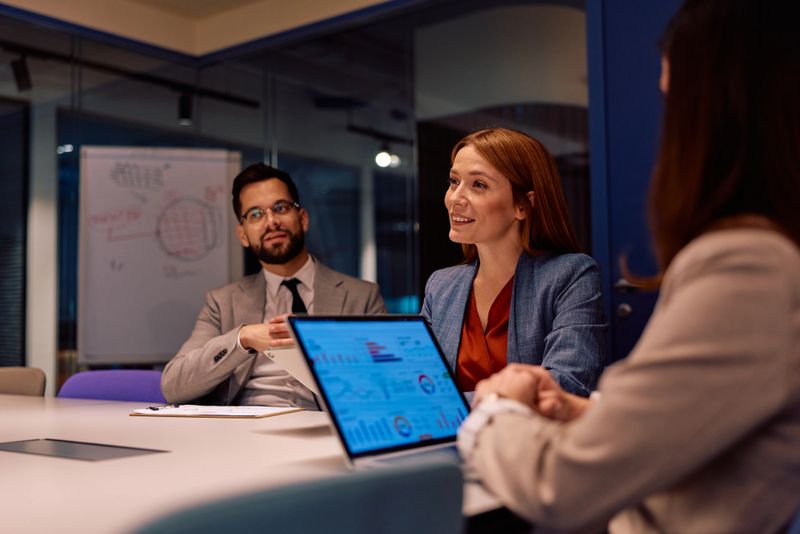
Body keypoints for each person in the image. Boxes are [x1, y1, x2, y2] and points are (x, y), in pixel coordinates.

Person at [457, 1, 800, 532]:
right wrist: (587, 415)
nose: (457, 197)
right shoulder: (766, 258)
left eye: (674, 101)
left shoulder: (749, 265)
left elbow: (561, 484)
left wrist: (493, 412)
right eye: (454, 182)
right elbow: (698, 425)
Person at [161, 163, 386, 408]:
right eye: (256, 214)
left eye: (280, 208)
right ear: (243, 235)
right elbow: (174, 385)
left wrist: (320, 345)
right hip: (243, 432)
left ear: (303, 219)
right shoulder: (222, 302)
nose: (271, 222)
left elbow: (387, 380)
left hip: (327, 429)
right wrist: (242, 338)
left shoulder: (362, 296)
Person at [421, 127, 606, 397]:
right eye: (453, 181)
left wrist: (453, 404)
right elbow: (417, 384)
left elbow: (568, 383)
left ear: (523, 205)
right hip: (451, 439)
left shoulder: (572, 275)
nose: (455, 199)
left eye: (478, 185)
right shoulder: (441, 285)